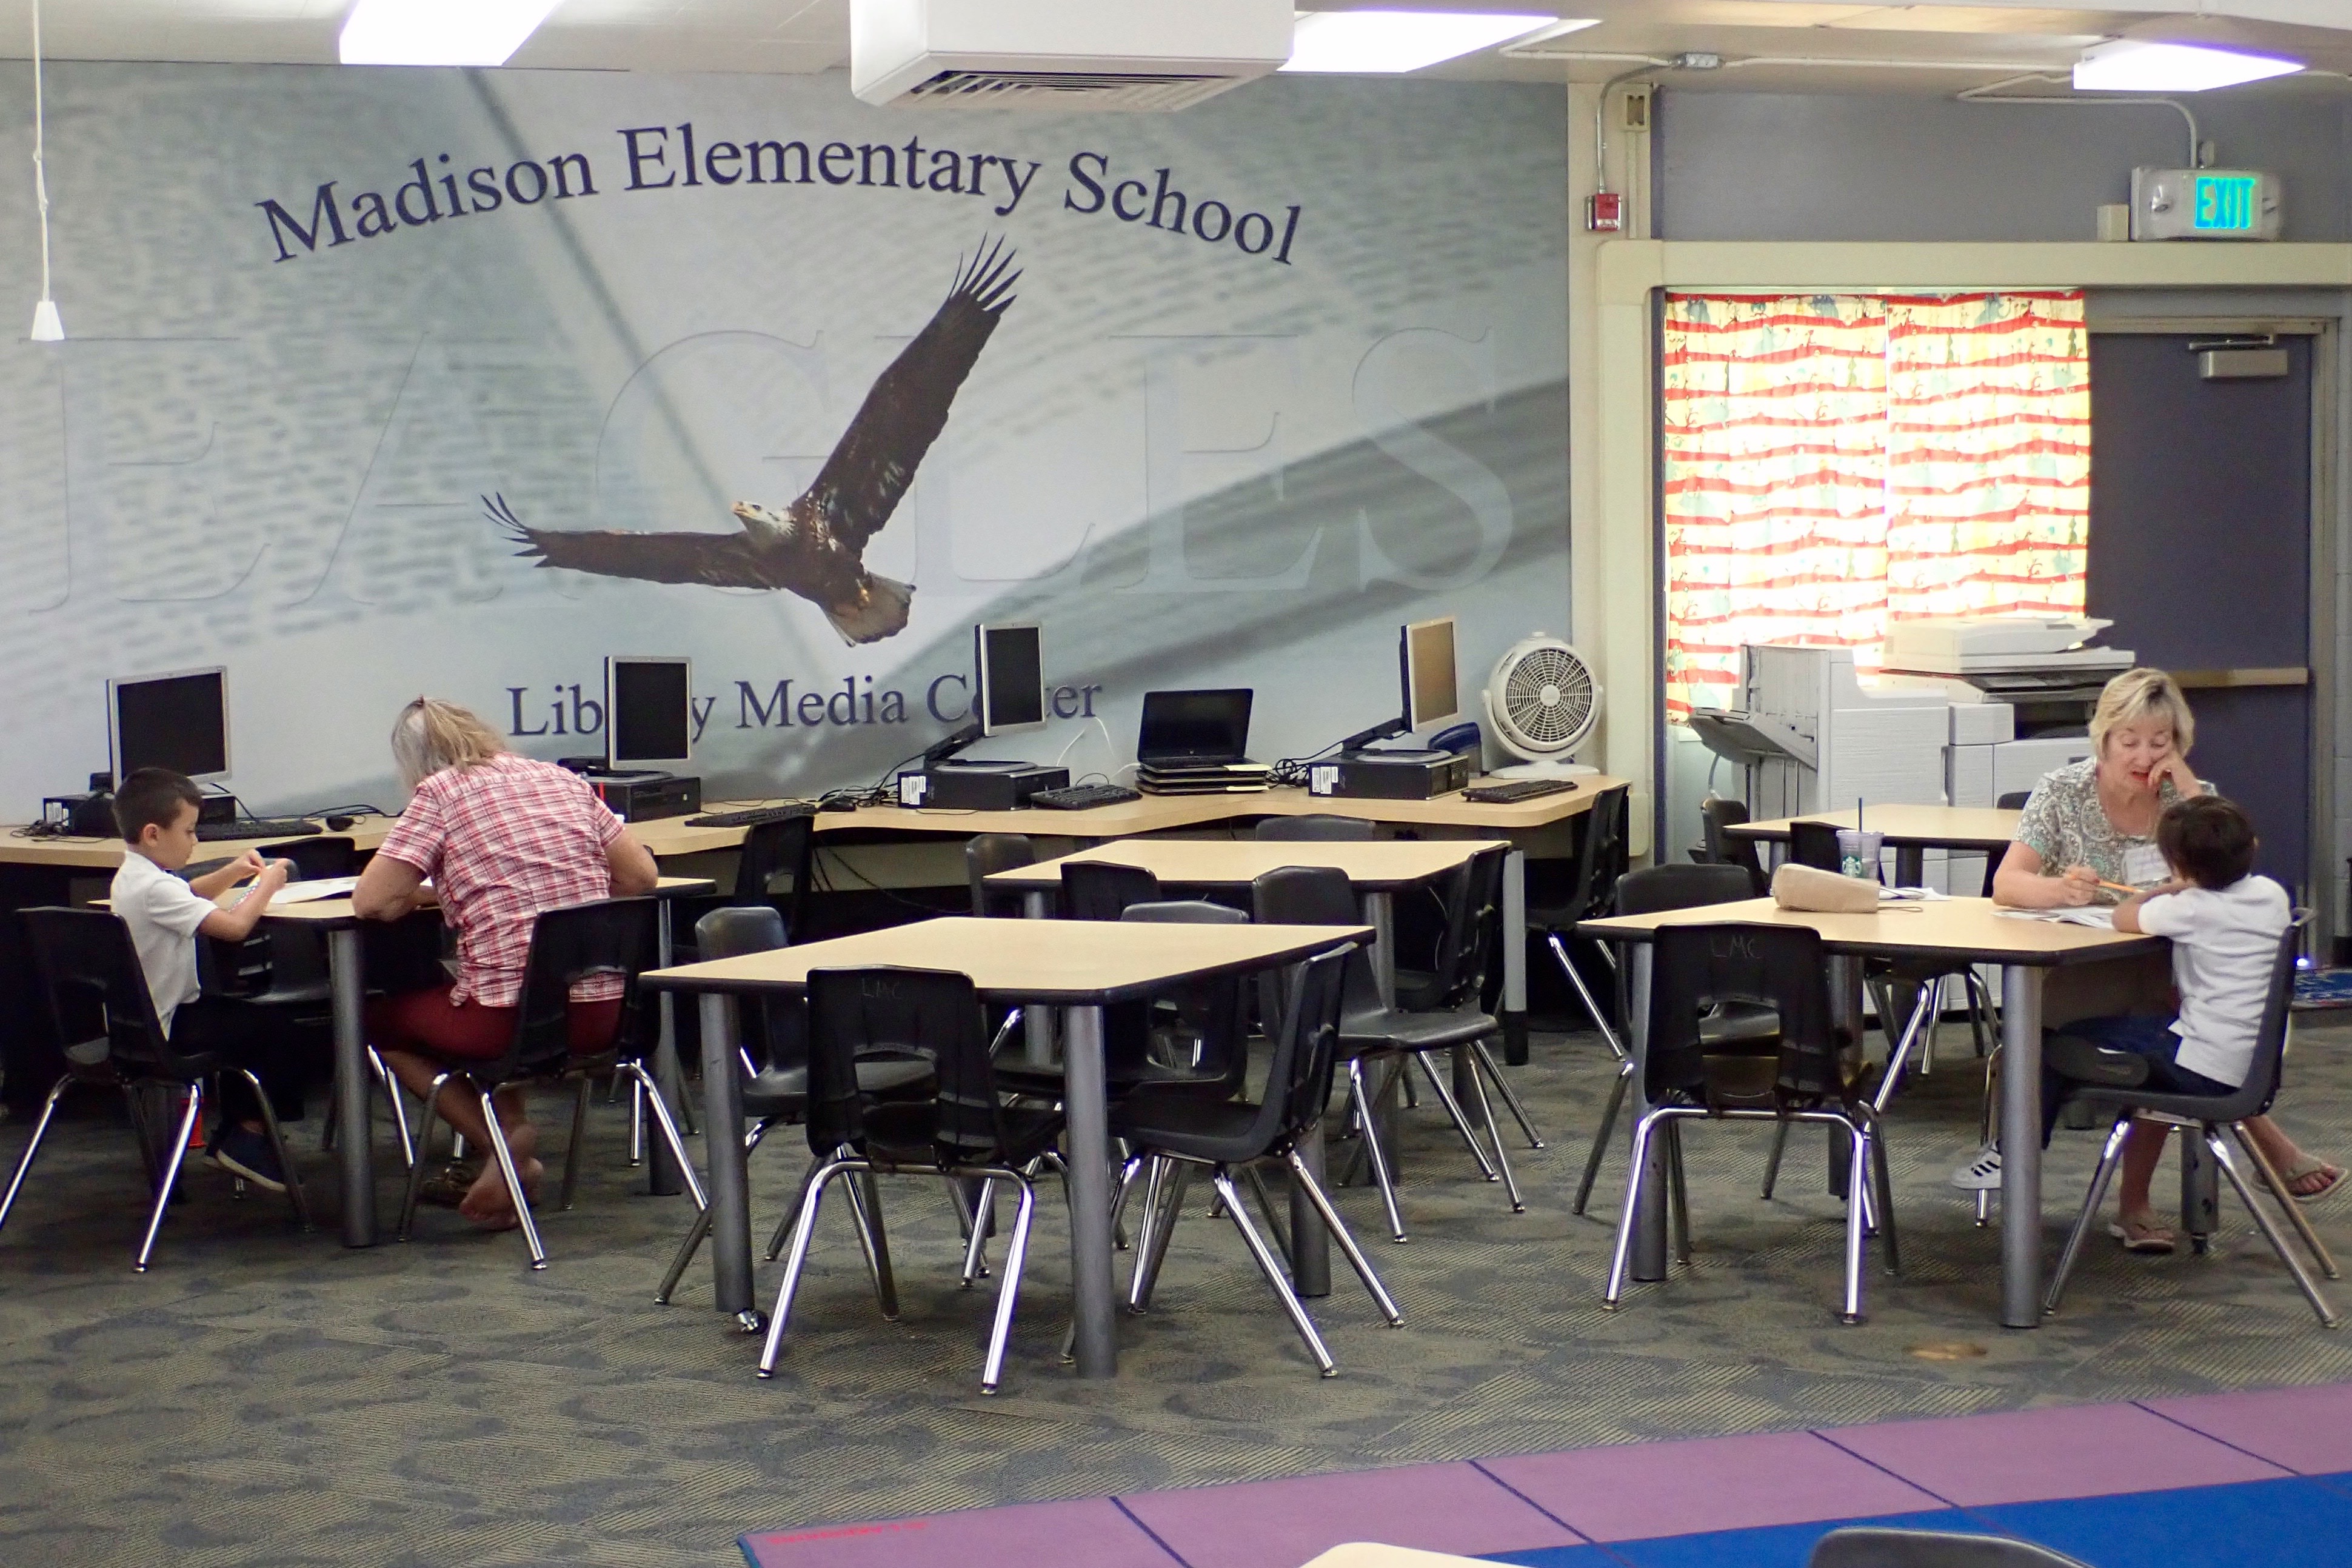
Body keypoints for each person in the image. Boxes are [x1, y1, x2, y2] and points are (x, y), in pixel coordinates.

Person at [352, 699, 659, 1228]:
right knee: (483, 984)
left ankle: (501, 1143)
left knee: (380, 1024)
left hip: (504, 1024)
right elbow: (640, 878)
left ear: (415, 761)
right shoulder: (561, 780)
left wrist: (429, 893)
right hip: (602, 1016)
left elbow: (371, 902)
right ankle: (509, 1148)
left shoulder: (439, 793)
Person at [1951, 667, 2205, 1190]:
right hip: (2081, 963)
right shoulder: (2063, 791)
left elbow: (2228, 869)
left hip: (2165, 962)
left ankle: (2123, 1194)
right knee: (2166, 1022)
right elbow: (2007, 883)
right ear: (2104, 739)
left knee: (2170, 1008)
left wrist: (2188, 786)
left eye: (2159, 742)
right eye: (2129, 742)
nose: (2143, 757)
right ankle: (2020, 1152)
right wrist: (2061, 891)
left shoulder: (2187, 799)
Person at [2060, 795, 2337, 1251]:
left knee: (2067, 1038)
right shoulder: (2272, 894)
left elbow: (2122, 916)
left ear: (2179, 866)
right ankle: (2139, 1204)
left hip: (2205, 1066)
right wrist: (2185, 881)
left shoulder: (2188, 908)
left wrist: (2166, 889)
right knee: (2154, 1038)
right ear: (2253, 845)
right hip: (2255, 1062)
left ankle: (2015, 1150)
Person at [107, 767, 304, 1190]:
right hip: (171, 1026)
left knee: (243, 1023)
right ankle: (247, 1136)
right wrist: (267, 884)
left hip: (143, 1023)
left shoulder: (136, 877)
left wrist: (234, 872)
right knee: (277, 1029)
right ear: (153, 834)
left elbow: (189, 894)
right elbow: (234, 928)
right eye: (189, 831)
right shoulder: (155, 889)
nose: (195, 841)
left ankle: (238, 1134)